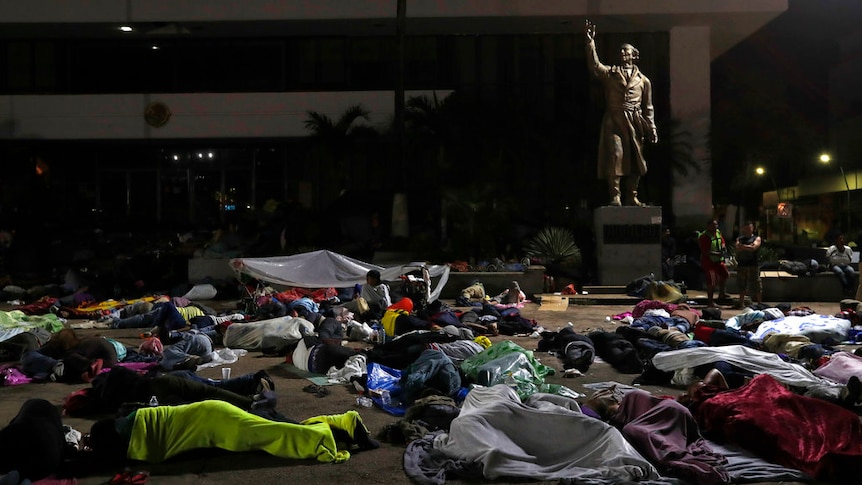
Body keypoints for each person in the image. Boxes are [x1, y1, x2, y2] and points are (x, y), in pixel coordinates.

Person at [85, 400, 379, 464]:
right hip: (211, 415)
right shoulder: (137, 417)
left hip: (215, 422)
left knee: (272, 436)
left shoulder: (136, 439)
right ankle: (338, 422)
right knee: (271, 430)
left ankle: (332, 432)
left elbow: (144, 454)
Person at [585, 20, 658, 207]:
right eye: (621, 51)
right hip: (615, 120)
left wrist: (652, 128)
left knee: (635, 160)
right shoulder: (611, 73)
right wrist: (590, 43)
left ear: (634, 56)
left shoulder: (644, 81)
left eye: (627, 51)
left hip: (635, 121)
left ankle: (632, 196)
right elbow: (595, 66)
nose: (623, 53)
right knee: (616, 155)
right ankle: (615, 196)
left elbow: (648, 107)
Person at [697, 220, 730, 307]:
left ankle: (722, 293)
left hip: (719, 261)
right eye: (713, 225)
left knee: (725, 275)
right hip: (709, 262)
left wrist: (723, 248)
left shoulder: (718, 233)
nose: (715, 227)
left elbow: (722, 242)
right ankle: (710, 302)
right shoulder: (704, 236)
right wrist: (717, 253)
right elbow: (705, 252)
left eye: (716, 225)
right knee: (711, 282)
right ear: (708, 226)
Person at [734, 220, 762, 307]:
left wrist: (744, 247)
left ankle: (759, 303)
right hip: (742, 265)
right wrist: (748, 247)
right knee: (741, 284)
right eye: (746, 228)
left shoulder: (757, 238)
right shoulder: (740, 239)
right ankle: (741, 303)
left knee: (756, 284)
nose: (747, 230)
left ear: (752, 229)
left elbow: (754, 247)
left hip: (753, 265)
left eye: (749, 228)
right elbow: (737, 247)